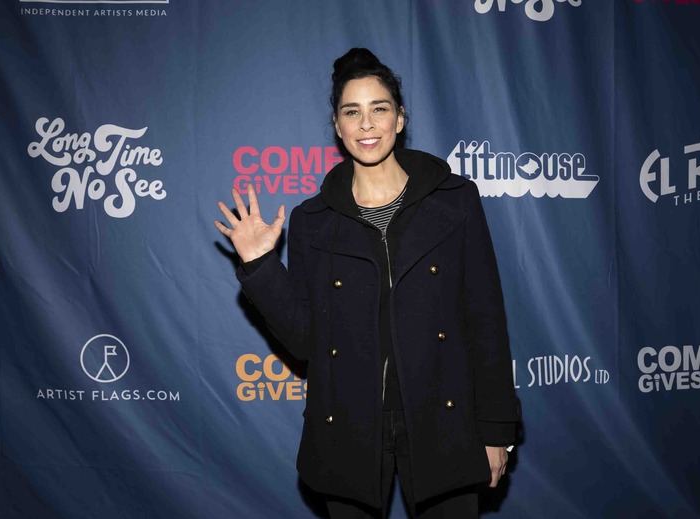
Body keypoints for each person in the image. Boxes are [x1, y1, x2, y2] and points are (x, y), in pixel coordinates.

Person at [215, 48, 521, 519]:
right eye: (351, 112)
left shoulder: (455, 200)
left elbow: (486, 319)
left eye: (379, 108)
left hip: (445, 420)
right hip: (349, 429)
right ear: (337, 127)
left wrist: (496, 429)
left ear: (400, 118)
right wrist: (260, 264)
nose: (366, 124)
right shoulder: (313, 221)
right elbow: (303, 341)